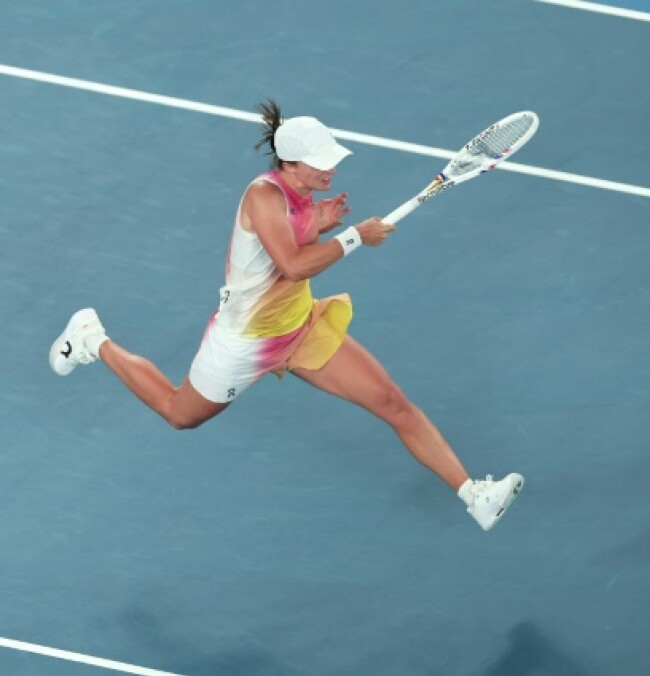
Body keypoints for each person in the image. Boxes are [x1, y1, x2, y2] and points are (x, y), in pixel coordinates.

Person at [48, 100, 523, 531]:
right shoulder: (263, 197)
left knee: (392, 403)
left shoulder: (302, 195)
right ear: (291, 164)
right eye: (321, 162)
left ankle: (474, 496)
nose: (331, 169)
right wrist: (354, 236)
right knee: (179, 414)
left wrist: (319, 224)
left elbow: (291, 254)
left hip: (300, 327)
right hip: (244, 342)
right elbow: (293, 266)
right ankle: (92, 337)